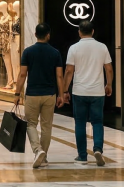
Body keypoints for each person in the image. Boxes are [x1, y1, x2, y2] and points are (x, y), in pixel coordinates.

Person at [14, 23, 65, 169]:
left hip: (32, 94)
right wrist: (61, 95)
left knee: (30, 124)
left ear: (35, 34)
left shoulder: (28, 52)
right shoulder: (55, 53)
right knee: (46, 126)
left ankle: (37, 150)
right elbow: (59, 76)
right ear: (48, 35)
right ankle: (43, 157)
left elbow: (22, 74)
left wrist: (17, 93)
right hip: (49, 95)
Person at [62, 20, 113, 166]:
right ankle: (98, 149)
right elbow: (109, 69)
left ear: (79, 32)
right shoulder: (102, 47)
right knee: (97, 122)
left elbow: (69, 71)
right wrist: (109, 84)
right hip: (97, 92)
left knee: (80, 123)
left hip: (79, 91)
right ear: (93, 31)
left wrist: (65, 90)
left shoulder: (74, 48)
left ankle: (82, 156)